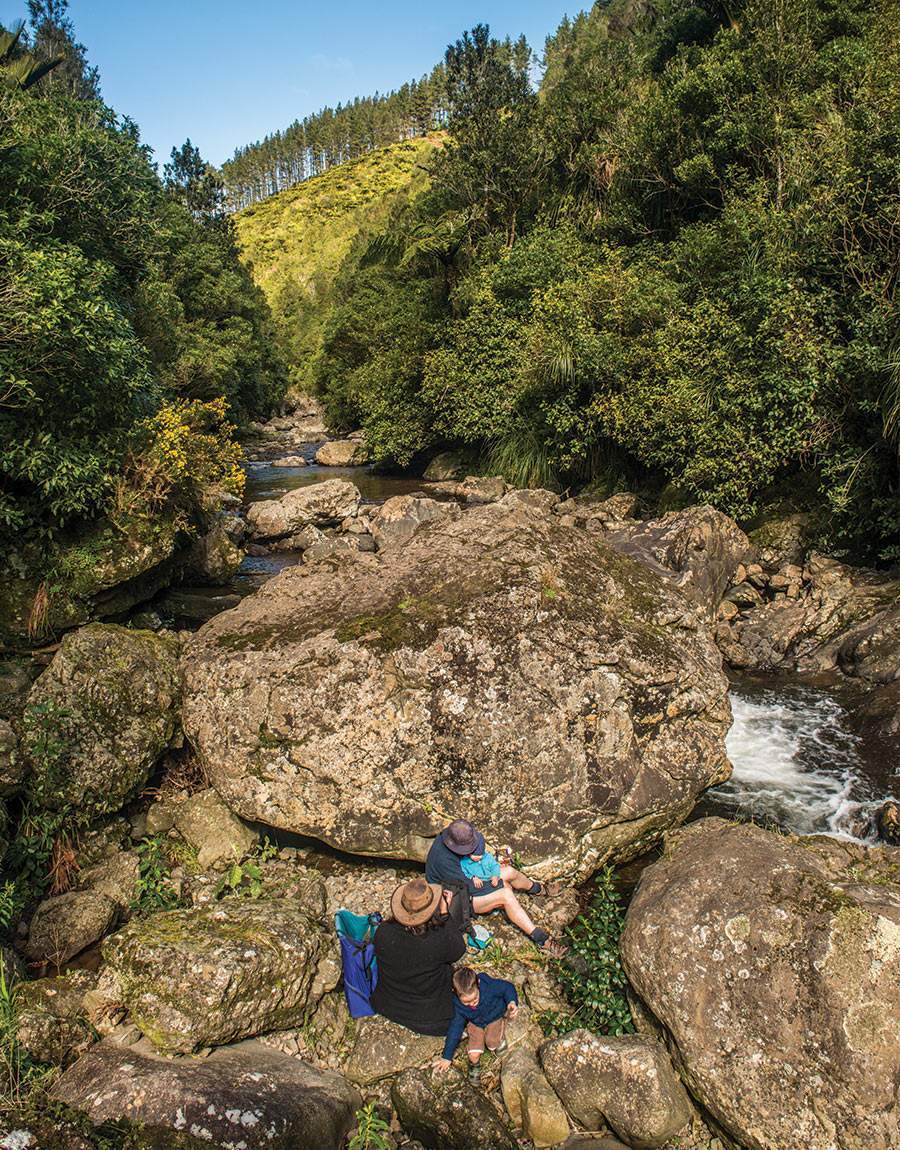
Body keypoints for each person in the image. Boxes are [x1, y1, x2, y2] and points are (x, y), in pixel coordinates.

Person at [426, 818, 567, 957]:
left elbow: (478, 847)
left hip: (468, 878)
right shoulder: (444, 861)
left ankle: (539, 890)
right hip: (456, 896)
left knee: (510, 872)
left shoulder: (454, 833)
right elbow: (468, 888)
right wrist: (500, 884)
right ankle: (543, 940)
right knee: (506, 895)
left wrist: (494, 874)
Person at [369, 877, 467, 1036]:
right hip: (431, 1019)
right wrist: (444, 914)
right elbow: (459, 950)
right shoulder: (437, 939)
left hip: (387, 1006)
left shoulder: (383, 932)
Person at [433, 966, 519, 1085]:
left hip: (494, 1016)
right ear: (456, 994)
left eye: (475, 999)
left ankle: (500, 1034)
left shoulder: (489, 986)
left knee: (492, 1043)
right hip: (475, 1022)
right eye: (466, 1002)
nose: (472, 1004)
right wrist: (447, 1056)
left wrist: (512, 1001)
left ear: (478, 984)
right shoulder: (458, 1005)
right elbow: (455, 1028)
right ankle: (474, 1067)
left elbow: (507, 987)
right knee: (473, 1054)